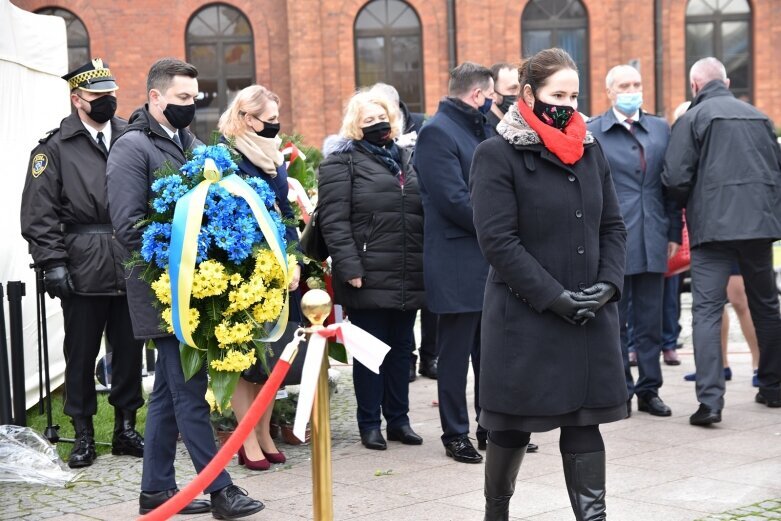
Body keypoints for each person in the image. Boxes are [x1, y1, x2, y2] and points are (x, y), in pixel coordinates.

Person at [471, 48, 627, 520]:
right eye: (557, 94)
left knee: (584, 421)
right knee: (513, 427)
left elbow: (613, 226)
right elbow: (498, 241)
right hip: (525, 315)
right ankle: (496, 511)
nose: (567, 104)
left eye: (574, 95)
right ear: (527, 94)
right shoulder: (496, 153)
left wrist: (608, 285)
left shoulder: (590, 149)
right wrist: (552, 297)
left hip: (587, 313)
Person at [107, 58, 264, 518]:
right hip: (164, 291)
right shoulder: (131, 148)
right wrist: (189, 262)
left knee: (168, 395)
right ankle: (220, 488)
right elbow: (129, 226)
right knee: (188, 391)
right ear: (155, 98)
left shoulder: (190, 142)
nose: (190, 106)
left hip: (196, 290)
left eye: (194, 99)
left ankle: (156, 490)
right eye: (181, 99)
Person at [20, 58, 145, 469]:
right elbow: (39, 213)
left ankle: (126, 427)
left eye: (111, 94)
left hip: (129, 260)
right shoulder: (54, 148)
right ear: (77, 99)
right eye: (97, 96)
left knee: (129, 350)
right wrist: (52, 262)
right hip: (82, 264)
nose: (108, 101)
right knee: (81, 353)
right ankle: (84, 435)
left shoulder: (131, 136)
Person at [663, 57, 781, 426]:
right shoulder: (760, 118)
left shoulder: (693, 119)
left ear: (694, 86)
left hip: (712, 229)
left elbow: (675, 177)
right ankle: (774, 387)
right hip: (759, 228)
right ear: (726, 82)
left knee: (707, 312)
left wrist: (684, 209)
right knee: (767, 305)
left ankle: (710, 402)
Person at [317, 89, 425, 451]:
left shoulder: (406, 159)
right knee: (369, 353)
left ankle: (399, 419)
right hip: (366, 273)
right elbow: (334, 221)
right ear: (354, 125)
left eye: (382, 118)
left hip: (407, 271)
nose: (378, 125)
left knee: (401, 349)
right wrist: (349, 267)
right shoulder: (340, 163)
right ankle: (369, 423)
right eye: (368, 120)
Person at [217, 84, 303, 470]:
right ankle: (246, 437)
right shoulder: (225, 157)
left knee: (270, 356)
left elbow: (284, 212)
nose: (274, 127)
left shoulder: (274, 157)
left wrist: (294, 258)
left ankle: (265, 431)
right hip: (242, 269)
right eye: (268, 121)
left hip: (277, 269)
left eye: (276, 120)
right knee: (242, 358)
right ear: (246, 118)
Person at [587, 64, 681, 418]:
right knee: (615, 319)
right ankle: (620, 389)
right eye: (624, 85)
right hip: (613, 238)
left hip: (654, 234)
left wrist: (673, 231)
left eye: (637, 84)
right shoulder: (594, 130)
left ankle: (649, 389)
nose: (632, 90)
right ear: (609, 91)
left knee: (650, 320)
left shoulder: (659, 128)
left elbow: (669, 186)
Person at [414, 62, 494, 464]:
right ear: (477, 95)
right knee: (456, 353)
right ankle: (455, 432)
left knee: (489, 351)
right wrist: (500, 224)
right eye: (491, 95)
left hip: (487, 259)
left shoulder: (481, 126)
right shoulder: (437, 132)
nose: (494, 103)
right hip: (457, 261)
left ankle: (489, 426)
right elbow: (453, 199)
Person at [368, 83, 437, 382]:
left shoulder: (422, 126)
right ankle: (406, 358)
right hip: (392, 236)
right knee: (403, 301)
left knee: (431, 301)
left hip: (422, 227)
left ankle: (431, 356)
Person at [486, 62, 521, 131]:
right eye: (513, 88)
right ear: (492, 95)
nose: (520, 93)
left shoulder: (515, 125)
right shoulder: (484, 130)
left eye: (521, 88)